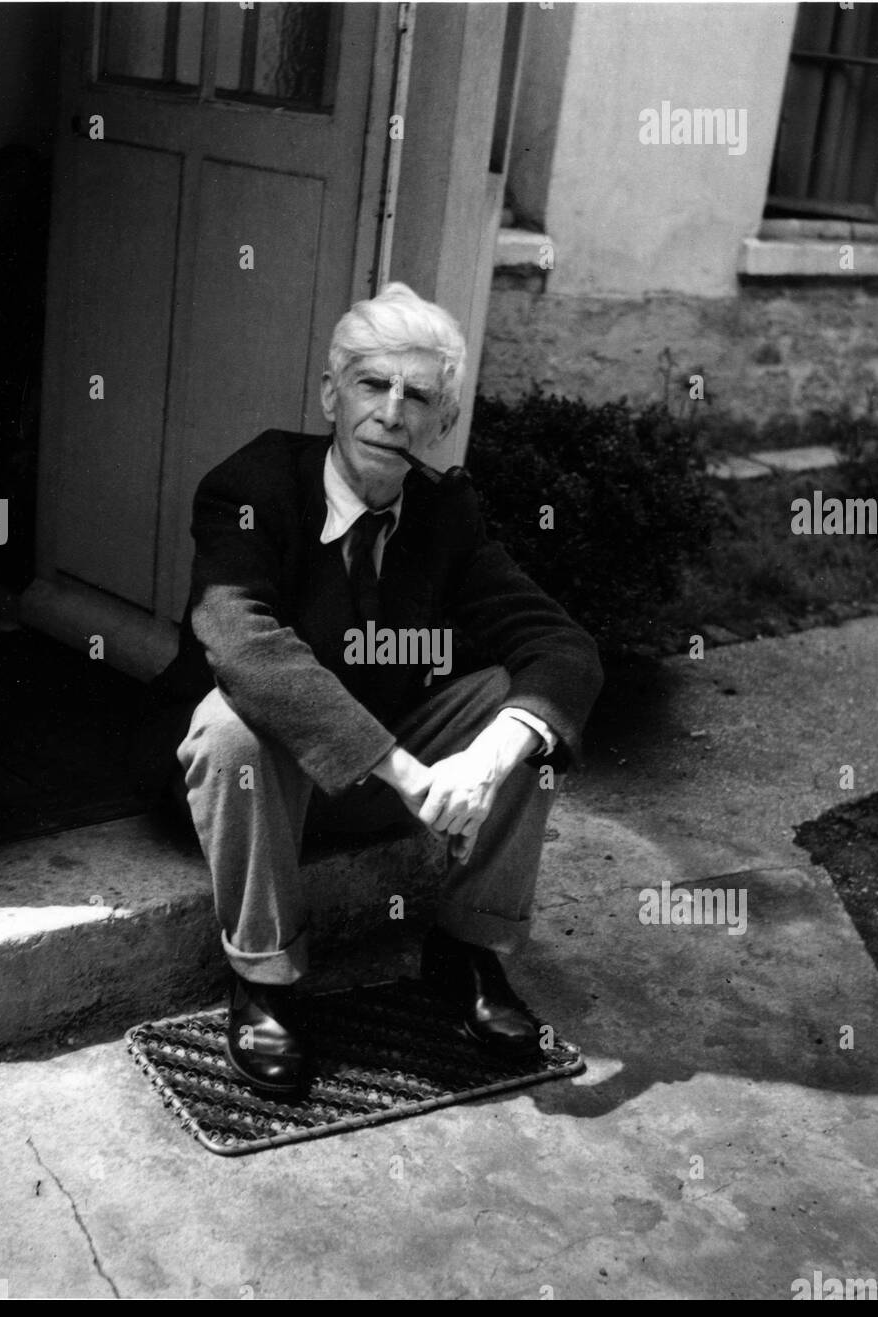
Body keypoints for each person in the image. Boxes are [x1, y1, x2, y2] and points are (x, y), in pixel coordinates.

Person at [137, 282, 603, 1095]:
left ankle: (466, 952)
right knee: (231, 725)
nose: (392, 412)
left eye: (418, 395)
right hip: (262, 784)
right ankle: (266, 981)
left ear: (443, 423)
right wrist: (408, 771)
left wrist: (490, 757)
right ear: (330, 393)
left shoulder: (445, 514)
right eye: (372, 384)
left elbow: (561, 646)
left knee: (519, 707)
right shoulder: (252, 487)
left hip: (376, 778)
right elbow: (244, 645)